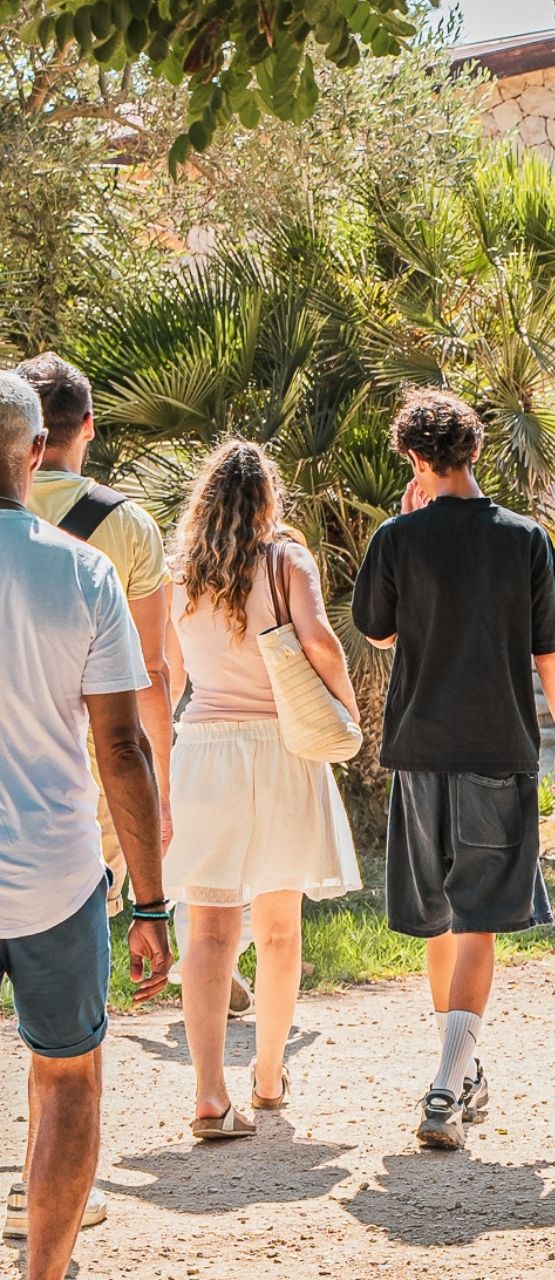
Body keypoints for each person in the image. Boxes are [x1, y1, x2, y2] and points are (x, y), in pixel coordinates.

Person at [351, 388, 555, 1151]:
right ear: (477, 451)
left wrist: (409, 527)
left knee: (440, 918)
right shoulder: (525, 539)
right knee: (480, 913)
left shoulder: (397, 537)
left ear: (416, 461)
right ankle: (449, 1084)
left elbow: (381, 635)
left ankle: (459, 1071)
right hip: (499, 749)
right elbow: (549, 652)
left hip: (419, 750)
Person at [14, 356, 254, 1028]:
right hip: (89, 764)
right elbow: (151, 671)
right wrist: (162, 787)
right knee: (71, 961)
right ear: (86, 425)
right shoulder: (126, 526)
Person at [0, 370, 171, 1280]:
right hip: (56, 876)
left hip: (51, 876)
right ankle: (46, 1273)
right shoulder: (83, 570)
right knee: (68, 1076)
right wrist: (151, 902)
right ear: (37, 454)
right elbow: (122, 746)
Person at [165, 442, 362, 1139]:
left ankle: (209, 1094)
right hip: (281, 750)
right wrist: (347, 711)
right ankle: (271, 1077)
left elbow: (169, 676)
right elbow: (322, 644)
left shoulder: (181, 573)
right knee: (279, 931)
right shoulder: (286, 560)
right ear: (269, 501)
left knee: (212, 932)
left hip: (205, 755)